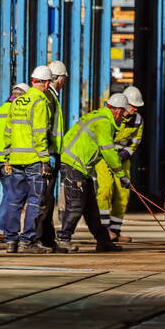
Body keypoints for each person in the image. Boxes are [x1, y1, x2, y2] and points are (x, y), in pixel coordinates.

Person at [56, 93, 132, 253]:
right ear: (117, 111)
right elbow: (109, 152)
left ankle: (103, 242)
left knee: (91, 208)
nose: (124, 117)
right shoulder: (104, 123)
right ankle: (63, 239)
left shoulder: (99, 118)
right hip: (73, 165)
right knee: (76, 205)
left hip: (80, 166)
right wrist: (121, 175)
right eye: (124, 113)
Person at [2, 66, 56, 254]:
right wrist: (45, 159)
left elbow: (7, 132)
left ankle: (11, 241)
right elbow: (39, 133)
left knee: (14, 201)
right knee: (35, 201)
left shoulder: (17, 102)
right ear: (47, 83)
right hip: (33, 159)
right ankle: (27, 241)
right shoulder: (39, 102)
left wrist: (8, 156)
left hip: (16, 159)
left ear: (33, 80)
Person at [95, 85, 144, 242]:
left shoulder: (138, 120)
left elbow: (135, 141)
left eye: (137, 107)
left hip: (123, 160)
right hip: (104, 158)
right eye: (132, 106)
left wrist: (125, 154)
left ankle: (115, 231)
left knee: (123, 193)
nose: (135, 109)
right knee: (105, 190)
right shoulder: (112, 117)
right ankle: (103, 231)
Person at [0, 82, 30, 242]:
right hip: (8, 158)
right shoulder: (16, 112)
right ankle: (0, 230)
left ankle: (1, 229)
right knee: (11, 195)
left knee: (9, 193)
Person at [37, 60, 69, 247]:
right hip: (49, 153)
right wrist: (47, 156)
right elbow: (45, 128)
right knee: (44, 198)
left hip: (51, 153)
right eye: (64, 78)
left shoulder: (51, 97)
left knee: (48, 198)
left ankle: (47, 238)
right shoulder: (49, 97)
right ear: (59, 79)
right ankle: (39, 237)